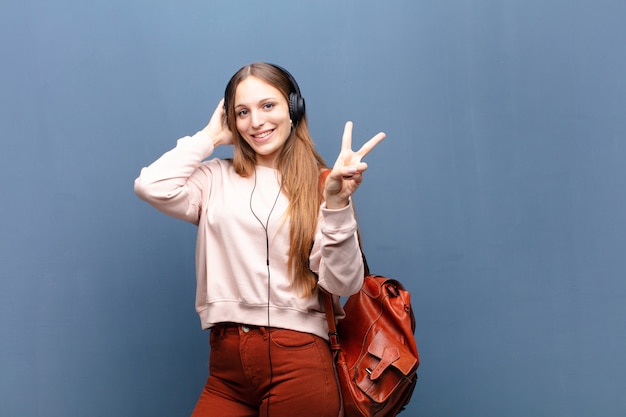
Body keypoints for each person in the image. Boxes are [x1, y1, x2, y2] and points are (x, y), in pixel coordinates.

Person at [134, 62, 386, 417]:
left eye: (268, 106)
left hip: (298, 360)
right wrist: (209, 136)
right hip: (226, 364)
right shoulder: (214, 178)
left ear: (293, 108)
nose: (256, 122)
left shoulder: (323, 184)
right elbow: (151, 185)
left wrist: (336, 203)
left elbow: (344, 281)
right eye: (242, 112)